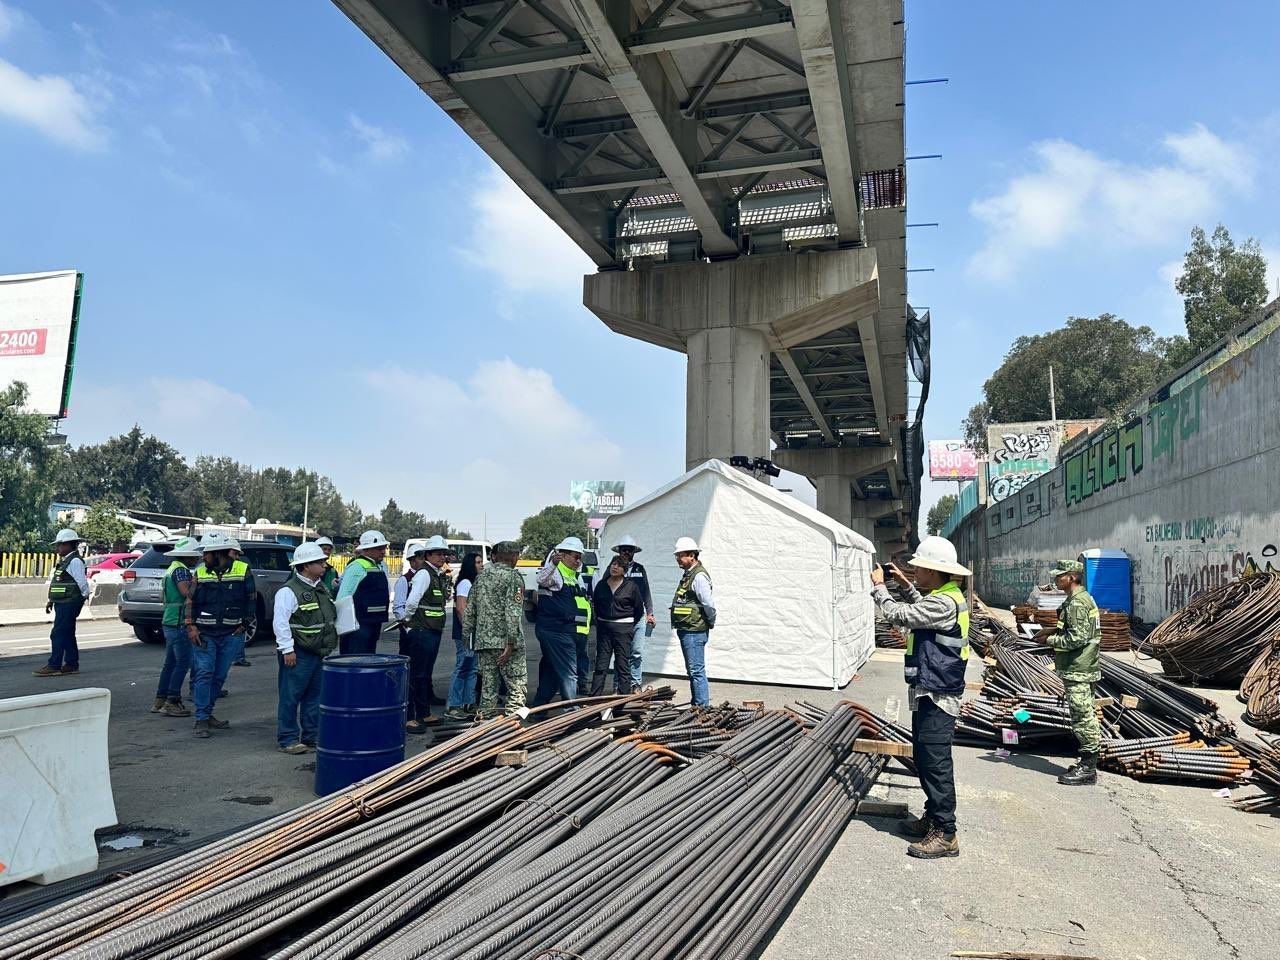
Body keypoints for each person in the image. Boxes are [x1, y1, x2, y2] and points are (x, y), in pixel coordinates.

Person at [870, 535, 971, 860]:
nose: (915, 572)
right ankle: (933, 818)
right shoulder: (946, 596)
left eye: (919, 569)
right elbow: (921, 609)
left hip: (939, 693)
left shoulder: (943, 602)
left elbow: (902, 616)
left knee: (936, 762)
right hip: (932, 688)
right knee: (926, 758)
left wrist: (880, 588)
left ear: (933, 571)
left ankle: (945, 833)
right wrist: (902, 582)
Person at [273, 542, 340, 754]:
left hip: (318, 651)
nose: (324, 565)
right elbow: (280, 622)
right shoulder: (289, 591)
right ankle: (288, 738)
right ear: (305, 566)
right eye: (320, 562)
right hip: (298, 652)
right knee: (290, 696)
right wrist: (287, 650)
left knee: (314, 697)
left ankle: (311, 736)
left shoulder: (320, 587)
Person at [1042, 558, 1103, 787]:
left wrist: (1049, 639)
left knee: (1082, 717)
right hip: (1082, 666)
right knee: (1085, 714)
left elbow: (1076, 638)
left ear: (1071, 577)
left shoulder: (1078, 603)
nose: (1056, 580)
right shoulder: (1080, 599)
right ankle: (1087, 763)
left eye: (1059, 576)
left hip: (1079, 668)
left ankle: (1088, 768)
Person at [189, 533, 256, 738]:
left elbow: (250, 599)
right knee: (204, 674)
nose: (203, 557)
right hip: (204, 634)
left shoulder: (243, 570)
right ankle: (201, 718)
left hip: (231, 633)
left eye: (207, 553)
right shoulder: (200, 573)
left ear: (220, 553)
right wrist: (191, 626)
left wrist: (244, 625)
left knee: (219, 676)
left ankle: (207, 713)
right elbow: (190, 602)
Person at [463, 541, 527, 718]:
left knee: (488, 689)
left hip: (484, 643)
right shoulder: (513, 577)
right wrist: (511, 643)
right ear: (514, 557)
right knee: (516, 688)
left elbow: (470, 611)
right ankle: (513, 729)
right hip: (507, 644)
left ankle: (485, 727)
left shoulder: (481, 577)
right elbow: (513, 612)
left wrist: (467, 640)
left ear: (496, 556)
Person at [531, 536, 592, 707]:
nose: (578, 561)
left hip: (572, 632)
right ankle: (572, 711)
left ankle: (539, 709)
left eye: (580, 557)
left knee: (552, 672)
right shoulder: (555, 572)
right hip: (557, 631)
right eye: (575, 556)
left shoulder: (575, 577)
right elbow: (541, 579)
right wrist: (552, 564)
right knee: (569, 673)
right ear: (562, 556)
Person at [400, 535, 451, 732]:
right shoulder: (424, 574)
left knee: (425, 675)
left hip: (432, 630)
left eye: (443, 554)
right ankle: (410, 716)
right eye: (438, 554)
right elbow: (412, 601)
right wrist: (408, 620)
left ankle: (424, 713)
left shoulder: (436, 574)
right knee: (416, 675)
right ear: (428, 555)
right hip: (421, 631)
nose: (442, 557)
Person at [150, 536, 201, 716]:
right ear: (187, 556)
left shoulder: (172, 569)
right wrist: (196, 585)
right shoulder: (181, 571)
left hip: (169, 619)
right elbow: (186, 592)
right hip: (179, 621)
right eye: (195, 555)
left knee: (170, 663)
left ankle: (160, 699)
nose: (198, 558)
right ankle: (172, 700)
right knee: (183, 662)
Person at [34, 528, 90, 677]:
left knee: (57, 633)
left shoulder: (75, 561)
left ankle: (54, 665)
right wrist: (51, 601)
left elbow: (82, 584)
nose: (57, 548)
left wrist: (81, 600)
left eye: (60, 545)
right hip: (62, 602)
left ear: (70, 545)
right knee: (67, 634)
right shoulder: (65, 561)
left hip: (69, 603)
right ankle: (71, 664)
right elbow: (59, 584)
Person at [670, 537, 715, 708]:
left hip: (694, 630)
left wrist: (710, 621)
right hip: (688, 628)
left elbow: (708, 604)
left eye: (680, 556)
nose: (677, 559)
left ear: (691, 555)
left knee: (696, 670)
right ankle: (697, 704)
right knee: (693, 670)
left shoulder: (699, 577)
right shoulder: (689, 575)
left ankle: (701, 707)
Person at [591, 556, 644, 695]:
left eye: (619, 565)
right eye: (613, 564)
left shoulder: (631, 586)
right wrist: (601, 621)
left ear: (624, 570)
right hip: (604, 629)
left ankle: (623, 696)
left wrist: (626, 623)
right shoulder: (601, 585)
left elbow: (638, 609)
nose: (614, 567)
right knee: (601, 665)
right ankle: (594, 697)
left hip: (623, 630)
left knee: (622, 665)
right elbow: (596, 605)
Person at [336, 530, 391, 655]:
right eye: (379, 548)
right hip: (358, 627)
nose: (383, 551)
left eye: (384, 548)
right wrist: (344, 628)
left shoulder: (378, 566)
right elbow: (343, 597)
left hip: (373, 624)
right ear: (367, 549)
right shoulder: (357, 566)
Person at [612, 536, 656, 690]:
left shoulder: (639, 569)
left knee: (636, 651)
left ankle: (635, 683)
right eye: (623, 549)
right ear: (618, 551)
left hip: (638, 618)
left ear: (633, 552)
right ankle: (618, 684)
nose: (625, 552)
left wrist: (650, 613)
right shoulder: (613, 568)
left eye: (629, 550)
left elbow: (646, 593)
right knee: (621, 652)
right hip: (620, 618)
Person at [444, 551, 483, 720]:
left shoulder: (474, 582)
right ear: (470, 565)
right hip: (466, 634)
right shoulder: (465, 583)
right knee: (463, 668)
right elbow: (461, 608)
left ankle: (468, 702)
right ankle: (454, 705)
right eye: (478, 562)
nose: (481, 565)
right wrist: (468, 631)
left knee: (472, 669)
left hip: (474, 633)